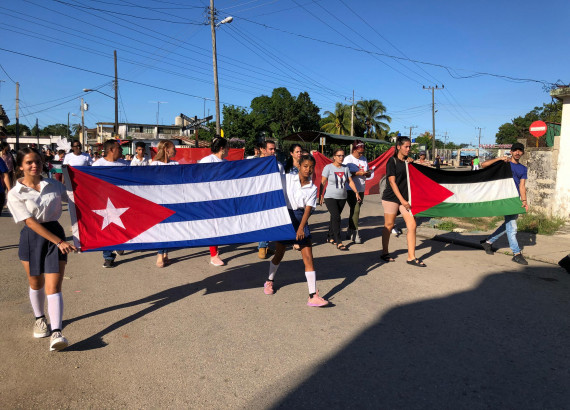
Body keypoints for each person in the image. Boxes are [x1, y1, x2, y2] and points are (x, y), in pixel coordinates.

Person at [7, 148, 77, 351]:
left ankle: (56, 332)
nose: (34, 165)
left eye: (37, 161)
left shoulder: (54, 185)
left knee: (54, 286)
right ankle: (39, 319)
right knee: (36, 282)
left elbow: (76, 199)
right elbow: (29, 222)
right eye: (29, 162)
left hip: (55, 233)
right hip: (32, 237)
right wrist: (58, 242)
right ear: (21, 166)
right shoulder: (15, 193)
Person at [263, 155, 328, 307]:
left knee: (308, 258)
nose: (308, 170)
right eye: (305, 166)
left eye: (311, 167)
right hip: (286, 218)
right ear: (299, 166)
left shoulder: (312, 187)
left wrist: (300, 228)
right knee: (279, 254)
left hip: (301, 219)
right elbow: (271, 181)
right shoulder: (287, 179)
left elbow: (308, 209)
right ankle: (269, 281)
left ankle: (312, 296)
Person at [480, 143, 529, 265]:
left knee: (507, 225)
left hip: (514, 200)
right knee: (512, 227)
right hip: (503, 198)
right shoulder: (504, 163)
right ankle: (516, 253)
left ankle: (488, 242)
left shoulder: (523, 169)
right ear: (511, 152)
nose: (517, 153)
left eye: (520, 151)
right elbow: (483, 165)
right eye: (515, 150)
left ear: (522, 153)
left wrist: (524, 201)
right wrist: (499, 158)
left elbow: (522, 186)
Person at [381, 136, 426, 267]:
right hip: (392, 197)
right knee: (389, 225)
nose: (408, 149)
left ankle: (411, 257)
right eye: (406, 147)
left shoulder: (408, 162)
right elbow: (392, 182)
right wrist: (402, 201)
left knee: (412, 225)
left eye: (409, 147)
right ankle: (384, 252)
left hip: (406, 199)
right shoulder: (392, 161)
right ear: (398, 147)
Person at [93, 139, 128, 267]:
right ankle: (108, 256)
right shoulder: (97, 166)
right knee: (107, 228)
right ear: (111, 150)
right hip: (105, 203)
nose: (122, 150)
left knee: (121, 226)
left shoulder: (125, 165)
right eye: (119, 148)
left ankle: (119, 244)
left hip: (122, 202)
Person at [319, 148, 361, 251]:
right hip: (330, 197)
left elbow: (350, 181)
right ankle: (339, 241)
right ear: (334, 157)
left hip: (342, 196)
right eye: (339, 155)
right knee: (336, 217)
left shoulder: (345, 168)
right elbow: (323, 182)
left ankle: (330, 236)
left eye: (342, 155)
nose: (341, 157)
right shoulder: (328, 168)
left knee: (334, 217)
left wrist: (356, 192)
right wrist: (320, 195)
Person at [198, 137, 228, 267]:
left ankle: (215, 251)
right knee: (213, 226)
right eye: (227, 147)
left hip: (222, 198)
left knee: (219, 225)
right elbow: (198, 178)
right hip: (210, 199)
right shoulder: (207, 160)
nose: (229, 150)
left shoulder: (226, 162)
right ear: (222, 148)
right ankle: (213, 255)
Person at [149, 140, 179, 268]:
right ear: (167, 149)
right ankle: (160, 254)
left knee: (169, 228)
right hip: (158, 200)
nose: (175, 150)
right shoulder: (154, 164)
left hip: (172, 199)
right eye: (173, 148)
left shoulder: (176, 164)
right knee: (161, 227)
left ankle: (166, 253)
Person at [257, 140, 281, 259]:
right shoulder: (254, 162)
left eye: (274, 149)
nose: (273, 151)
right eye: (271, 149)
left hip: (272, 196)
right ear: (263, 149)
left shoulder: (275, 162)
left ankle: (265, 245)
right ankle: (262, 246)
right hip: (259, 197)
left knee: (270, 221)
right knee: (263, 221)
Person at [343, 140, 370, 244]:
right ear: (354, 150)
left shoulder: (364, 159)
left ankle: (350, 230)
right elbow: (344, 173)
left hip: (361, 188)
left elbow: (366, 171)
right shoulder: (348, 159)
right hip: (350, 188)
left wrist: (367, 173)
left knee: (353, 211)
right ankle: (355, 232)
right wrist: (356, 173)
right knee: (356, 209)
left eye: (363, 152)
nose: (361, 154)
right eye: (359, 152)